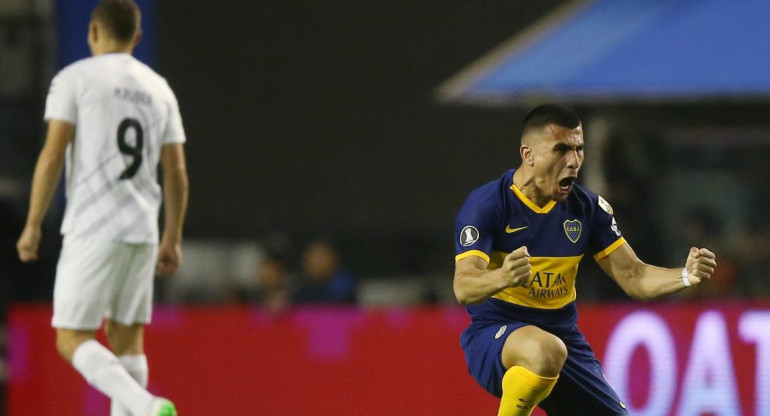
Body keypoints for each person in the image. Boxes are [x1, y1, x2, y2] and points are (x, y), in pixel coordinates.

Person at [453, 104, 716, 416]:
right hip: (495, 335)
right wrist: (502, 277)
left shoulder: (587, 209)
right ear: (528, 155)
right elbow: (464, 287)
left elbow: (633, 276)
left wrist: (685, 276)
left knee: (555, 351)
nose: (574, 162)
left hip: (564, 341)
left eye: (579, 149)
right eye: (561, 149)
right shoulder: (488, 205)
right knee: (546, 350)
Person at [16, 1, 187, 415]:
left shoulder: (74, 79)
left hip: (93, 227)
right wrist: (172, 237)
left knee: (71, 338)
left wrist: (33, 223)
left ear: (92, 32)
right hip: (143, 231)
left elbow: (53, 152)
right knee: (127, 339)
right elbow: (177, 171)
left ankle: (145, 405)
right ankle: (141, 406)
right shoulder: (160, 88)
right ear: (137, 38)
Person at [293, 240, 357, 304]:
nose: (317, 263)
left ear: (335, 262)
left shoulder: (345, 290)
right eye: (313, 257)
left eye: (322, 257)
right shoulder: (296, 290)